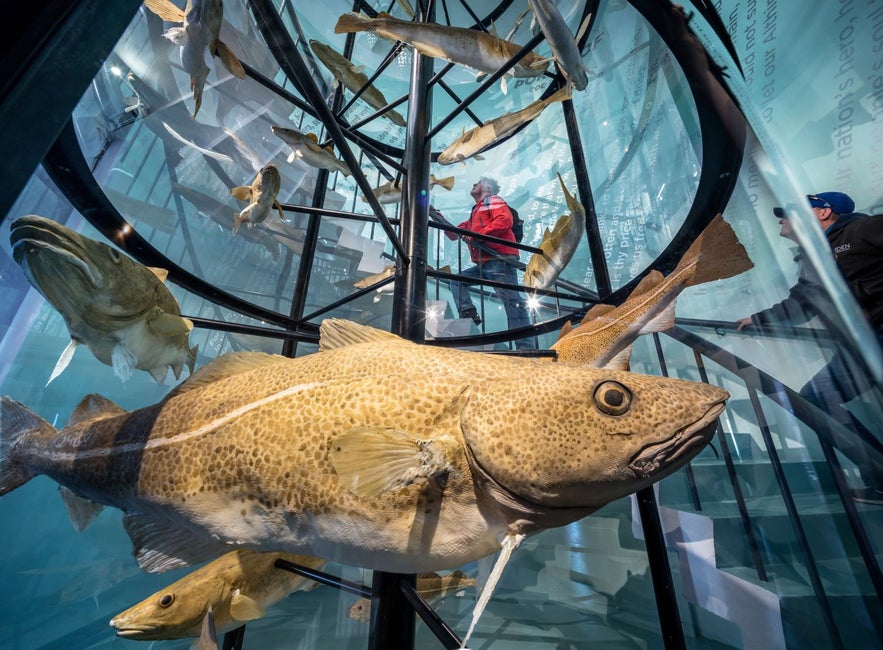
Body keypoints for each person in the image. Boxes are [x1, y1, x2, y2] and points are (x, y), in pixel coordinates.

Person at [737, 192, 883, 504]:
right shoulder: (814, 258)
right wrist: (758, 320)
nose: (781, 218)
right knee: (817, 397)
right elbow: (801, 305)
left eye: (790, 212)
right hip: (864, 345)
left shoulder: (860, 231)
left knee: (819, 396)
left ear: (822, 213)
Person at [444, 177, 536, 350]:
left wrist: (477, 235)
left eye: (476, 182)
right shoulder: (476, 212)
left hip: (499, 259)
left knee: (512, 301)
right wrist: (436, 215)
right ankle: (469, 314)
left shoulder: (494, 201)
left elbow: (504, 221)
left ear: (487, 188)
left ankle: (526, 346)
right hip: (485, 263)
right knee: (457, 280)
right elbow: (454, 233)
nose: (473, 184)